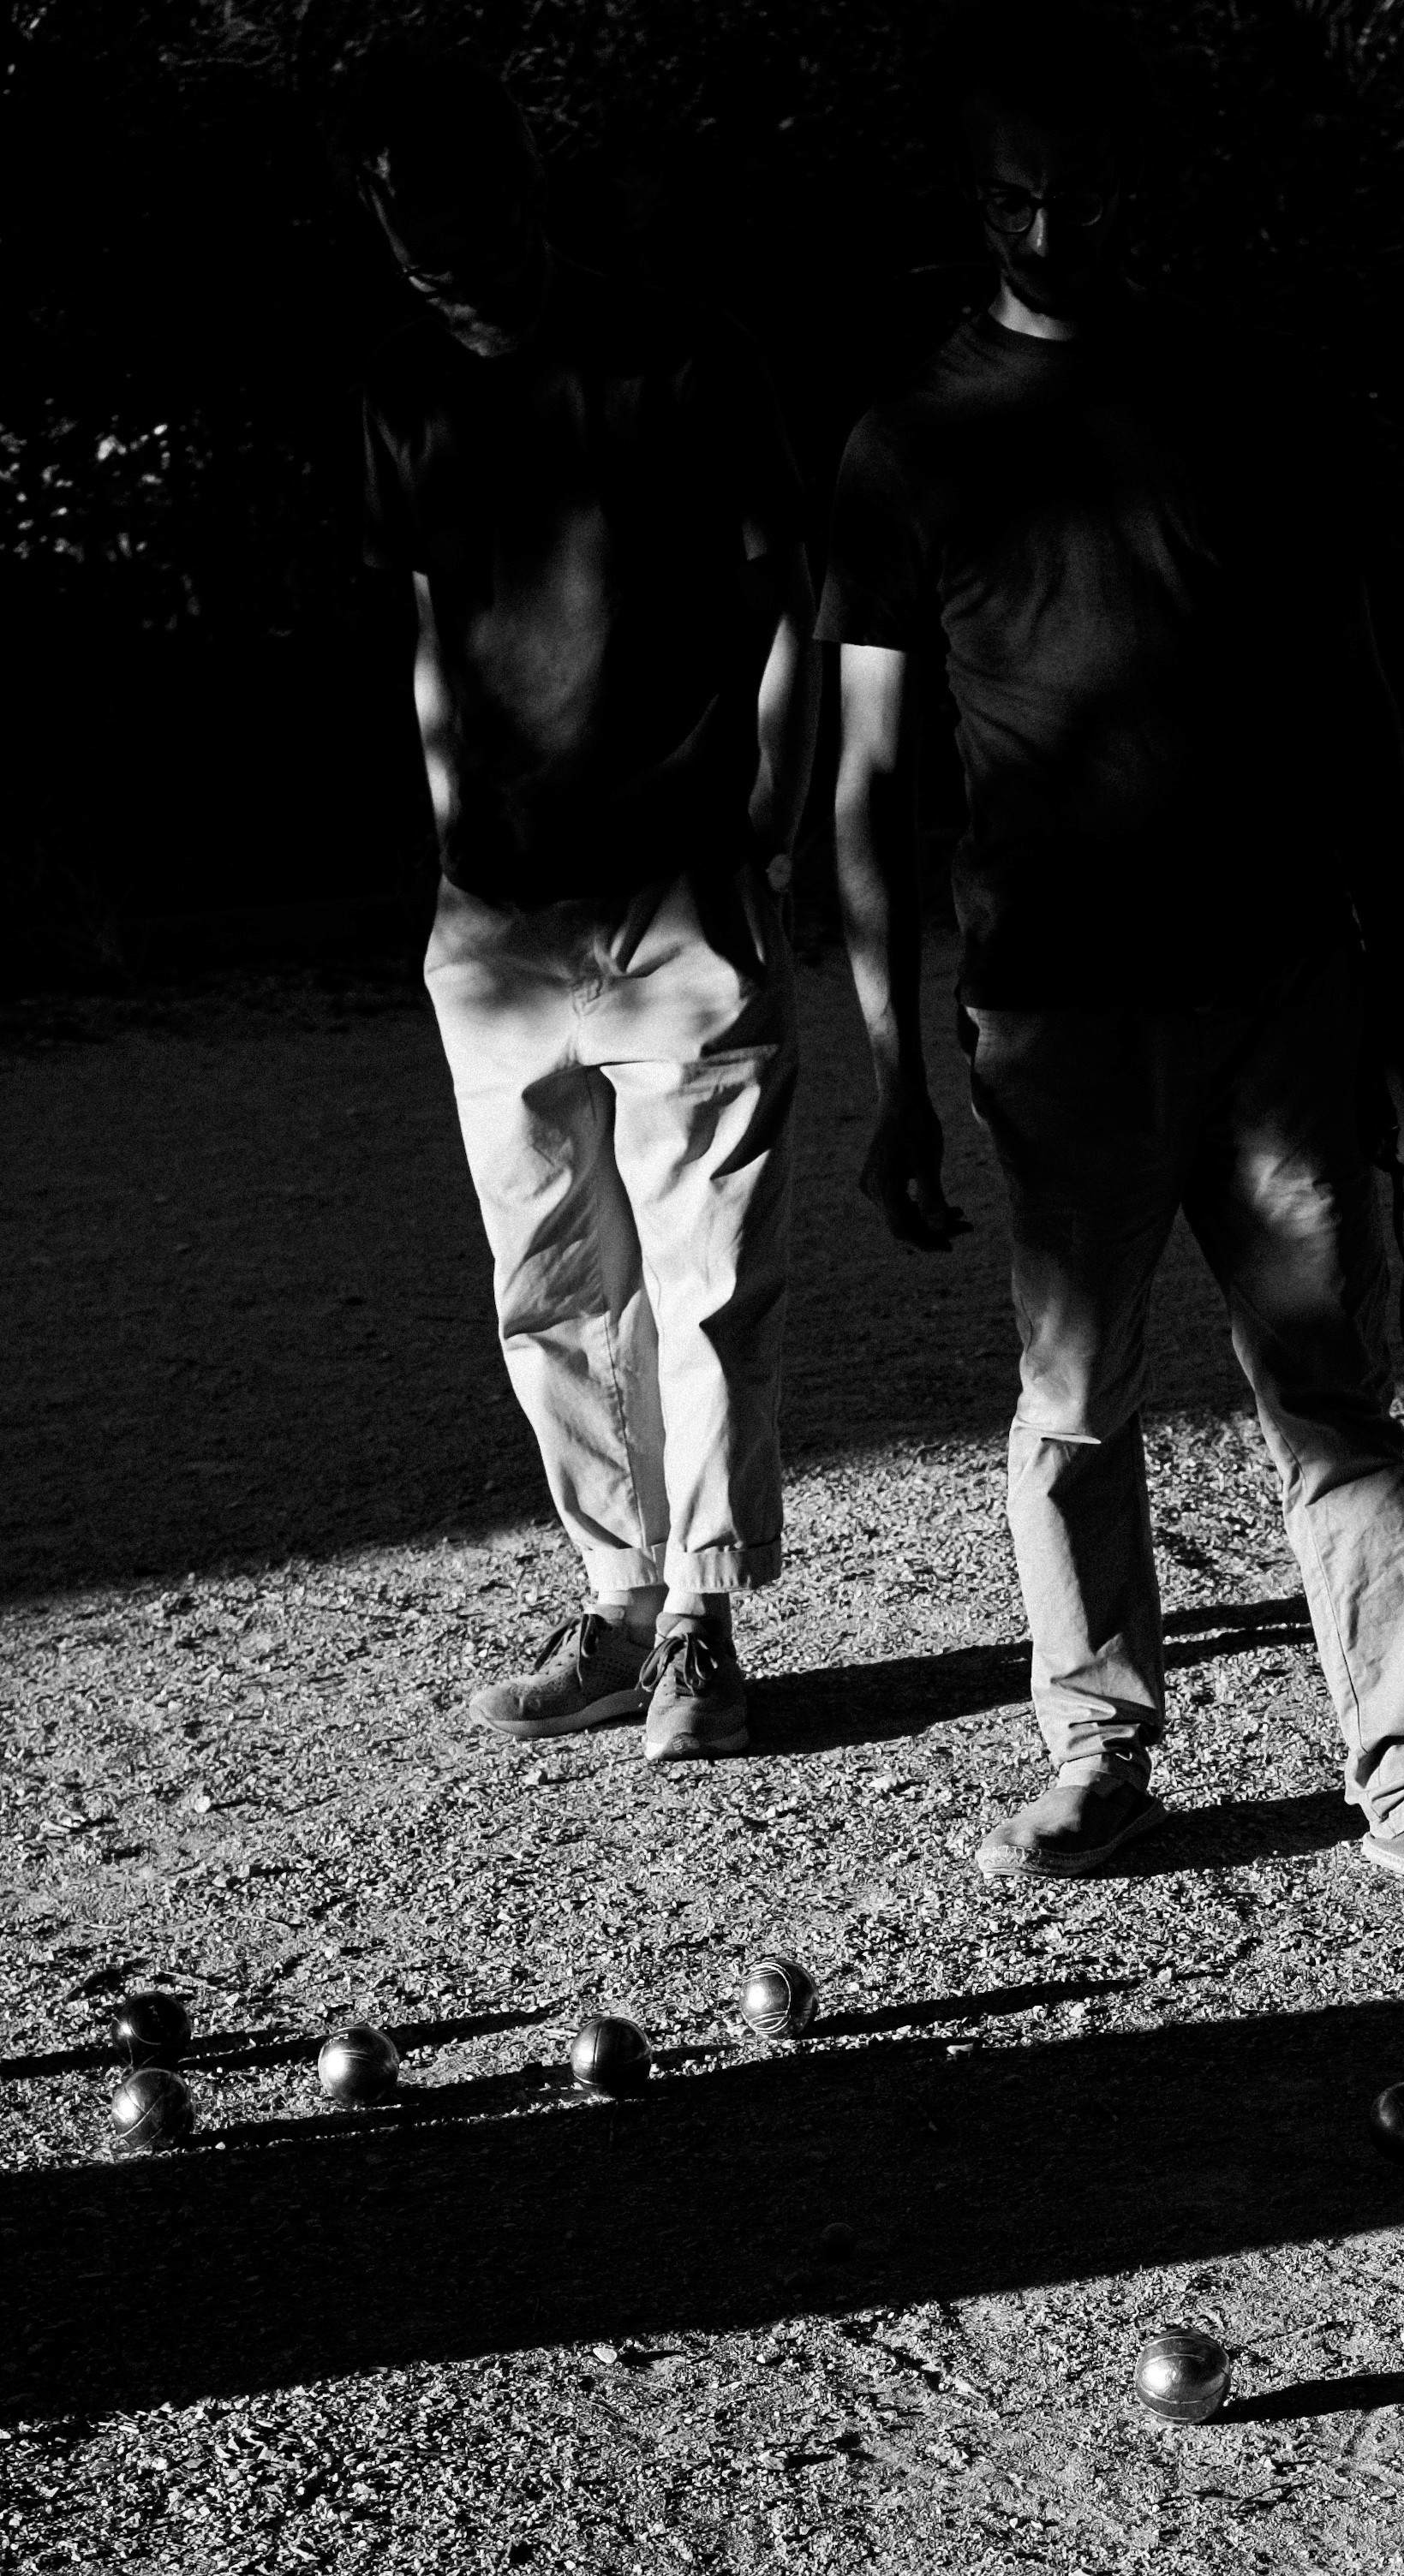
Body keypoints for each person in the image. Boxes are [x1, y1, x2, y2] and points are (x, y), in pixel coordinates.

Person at [819, 2, 1404, 1913]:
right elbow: (867, 779)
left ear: (1134, 189)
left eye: (1075, 194)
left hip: (1274, 987)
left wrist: (1396, 996)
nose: (1047, 233)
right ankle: (1102, 1751)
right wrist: (892, 1067)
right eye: (1011, 199)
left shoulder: (1249, 398)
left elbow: (1356, 716)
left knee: (1327, 1394)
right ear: (973, 201)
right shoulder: (907, 451)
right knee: (1072, 1402)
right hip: (1055, 1004)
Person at [349, 53, 817, 1761]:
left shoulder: (681, 357)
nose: (436, 254)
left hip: (673, 890)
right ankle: (618, 1607)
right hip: (496, 920)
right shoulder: (405, 390)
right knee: (548, 1283)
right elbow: (427, 624)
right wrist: (449, 826)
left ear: (524, 180)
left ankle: (701, 1612)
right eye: (403, 227)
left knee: (706, 1279)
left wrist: (770, 816)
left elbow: (788, 594)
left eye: (457, 213)